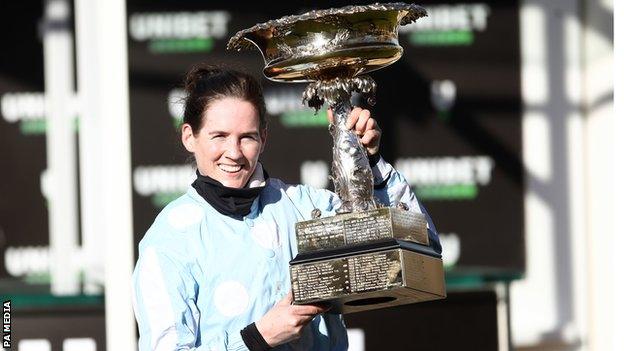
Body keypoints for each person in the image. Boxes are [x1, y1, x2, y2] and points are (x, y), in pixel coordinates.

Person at [132, 65, 441, 351]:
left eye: (247, 138)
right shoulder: (169, 240)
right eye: (219, 136)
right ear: (189, 136)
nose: (234, 152)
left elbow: (421, 250)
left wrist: (371, 164)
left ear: (264, 138)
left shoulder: (304, 206)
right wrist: (256, 338)